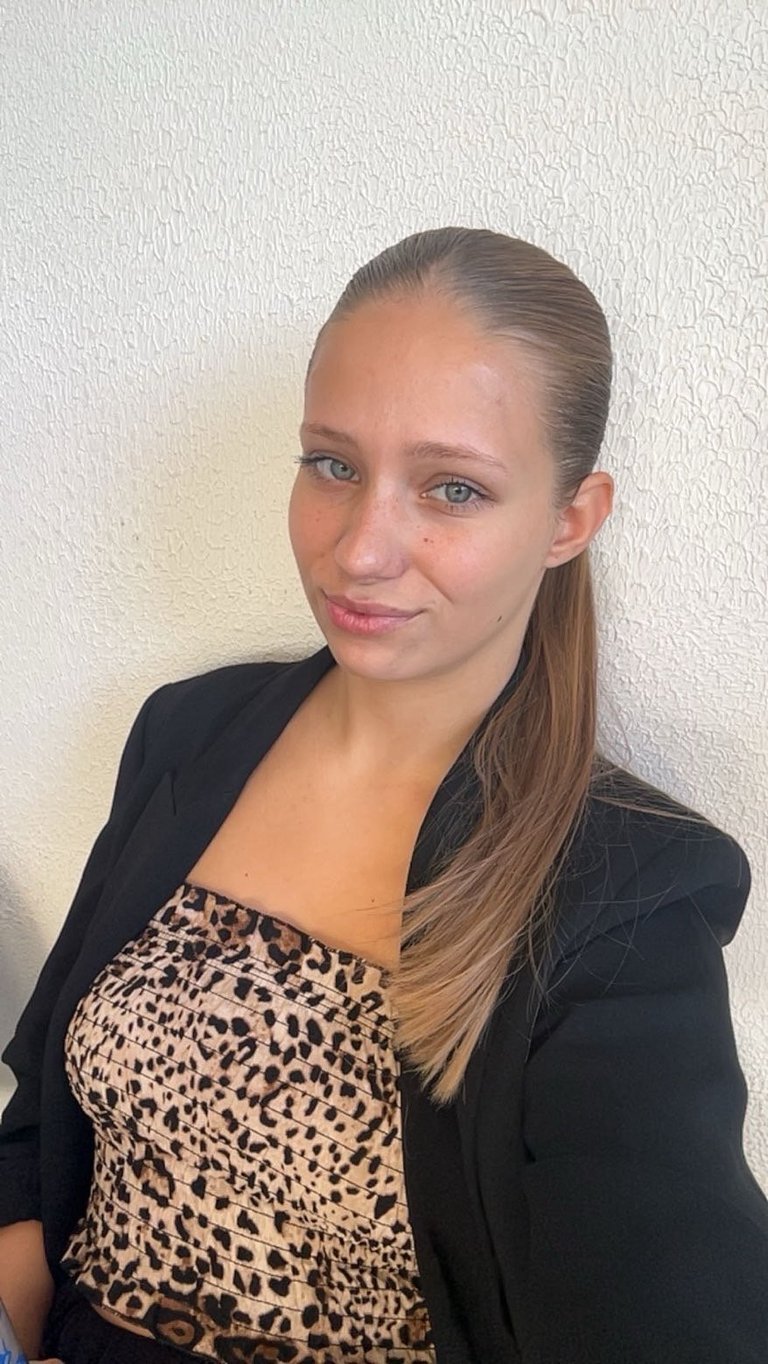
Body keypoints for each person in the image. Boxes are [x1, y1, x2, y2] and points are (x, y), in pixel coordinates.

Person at [1, 226, 766, 1364]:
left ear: (569, 518)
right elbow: (42, 1121)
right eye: (334, 463)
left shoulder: (625, 888)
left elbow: (669, 1297)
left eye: (451, 488)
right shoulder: (191, 733)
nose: (361, 549)